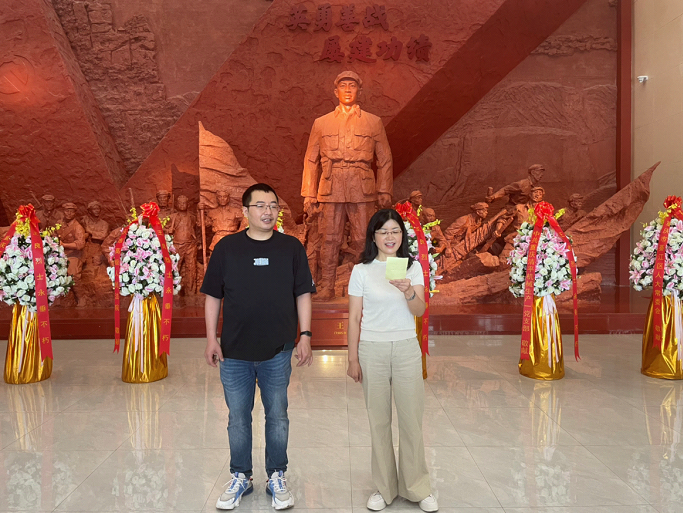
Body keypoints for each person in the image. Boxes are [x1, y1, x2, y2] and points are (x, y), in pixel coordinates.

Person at [201, 183, 316, 511]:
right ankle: (241, 476)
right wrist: (211, 338)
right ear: (245, 211)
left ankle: (277, 475)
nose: (268, 212)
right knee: (238, 418)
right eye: (261, 205)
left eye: (273, 206)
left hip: (277, 351)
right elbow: (213, 296)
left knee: (277, 415)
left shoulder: (291, 248)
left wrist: (305, 335)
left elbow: (303, 294)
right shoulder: (227, 248)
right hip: (234, 351)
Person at [346, 209, 438, 512]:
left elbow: (419, 311)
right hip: (371, 349)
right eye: (383, 231)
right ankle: (384, 488)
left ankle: (417, 486)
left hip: (406, 348)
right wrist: (352, 358)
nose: (389, 237)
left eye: (395, 231)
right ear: (373, 236)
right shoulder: (361, 270)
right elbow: (354, 317)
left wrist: (408, 290)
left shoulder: (412, 268)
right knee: (379, 421)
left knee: (411, 420)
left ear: (402, 235)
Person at [301, 70, 393, 300]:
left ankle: (367, 286)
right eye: (343, 86)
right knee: (329, 239)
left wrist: (384, 189)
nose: (348, 90)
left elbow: (384, 158)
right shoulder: (321, 123)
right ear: (335, 91)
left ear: (359, 91)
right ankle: (327, 286)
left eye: (352, 85)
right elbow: (311, 159)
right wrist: (309, 194)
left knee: (363, 238)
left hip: (362, 187)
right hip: (331, 187)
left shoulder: (373, 122)